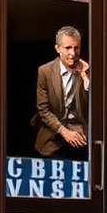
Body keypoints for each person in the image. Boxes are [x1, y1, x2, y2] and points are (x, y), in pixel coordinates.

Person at [34, 26, 90, 158]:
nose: (73, 53)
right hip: (54, 131)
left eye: (76, 48)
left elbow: (95, 106)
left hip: (80, 130)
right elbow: (43, 110)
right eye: (68, 48)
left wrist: (85, 77)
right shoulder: (45, 71)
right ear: (57, 49)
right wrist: (64, 131)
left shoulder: (88, 71)